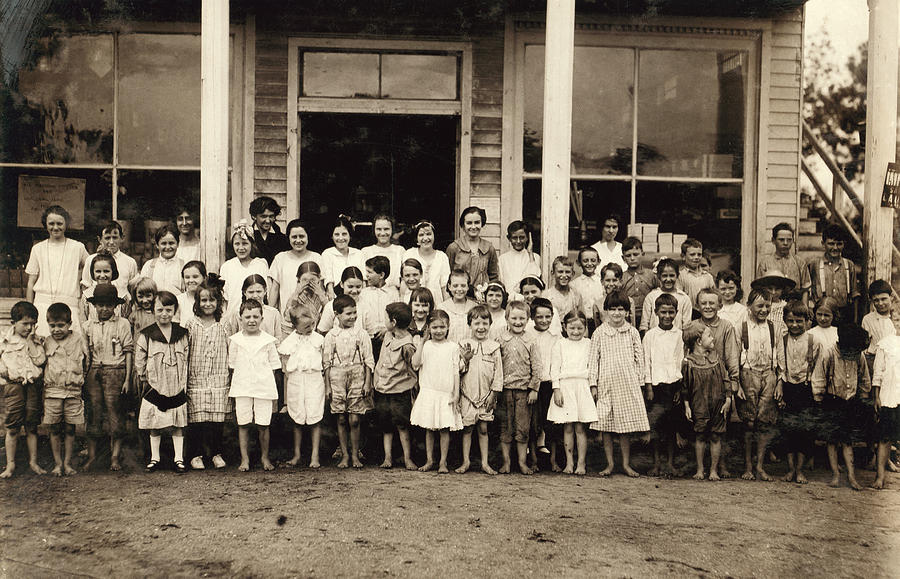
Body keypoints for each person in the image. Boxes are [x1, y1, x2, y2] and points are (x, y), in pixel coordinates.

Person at [589, 291, 649, 477]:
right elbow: (593, 360)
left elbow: (640, 358)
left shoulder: (632, 332)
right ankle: (609, 464)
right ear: (606, 311)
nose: (616, 313)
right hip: (606, 383)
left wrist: (639, 381)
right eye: (612, 309)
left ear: (627, 312)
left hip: (627, 384)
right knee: (606, 426)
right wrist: (593, 384)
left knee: (624, 428)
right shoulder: (599, 332)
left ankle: (625, 464)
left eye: (621, 309)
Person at [812, 323, 872, 490]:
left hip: (850, 400)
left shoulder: (858, 356)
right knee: (832, 440)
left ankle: (852, 476)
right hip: (832, 399)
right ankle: (835, 474)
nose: (853, 355)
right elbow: (819, 376)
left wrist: (863, 395)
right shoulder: (829, 353)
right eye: (851, 352)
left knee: (848, 440)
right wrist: (818, 397)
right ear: (843, 344)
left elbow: (864, 377)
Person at [136, 291, 190, 474]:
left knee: (177, 424)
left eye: (168, 309)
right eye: (160, 309)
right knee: (154, 424)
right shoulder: (147, 335)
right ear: (153, 310)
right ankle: (155, 458)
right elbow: (140, 359)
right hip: (155, 384)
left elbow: (188, 357)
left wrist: (184, 380)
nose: (164, 313)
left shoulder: (182, 333)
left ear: (175, 310)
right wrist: (144, 378)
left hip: (176, 383)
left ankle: (179, 458)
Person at [82, 283, 133, 471]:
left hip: (116, 371)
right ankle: (93, 457)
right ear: (94, 306)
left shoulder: (123, 324)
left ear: (115, 306)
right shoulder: (87, 326)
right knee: (94, 412)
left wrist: (127, 379)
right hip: (94, 371)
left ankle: (114, 457)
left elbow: (128, 351)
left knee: (115, 412)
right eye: (100, 305)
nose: (104, 309)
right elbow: (85, 355)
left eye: (109, 305)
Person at [228, 299, 282, 472]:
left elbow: (274, 367)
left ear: (261, 318)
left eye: (255, 316)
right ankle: (245, 460)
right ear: (240, 318)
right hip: (242, 387)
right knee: (243, 423)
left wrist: (269, 390)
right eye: (247, 316)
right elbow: (232, 366)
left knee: (263, 424)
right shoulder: (235, 340)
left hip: (263, 388)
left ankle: (265, 458)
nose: (251, 320)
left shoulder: (268, 341)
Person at [737, 288, 785, 482]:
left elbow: (780, 356)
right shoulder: (742, 327)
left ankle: (760, 466)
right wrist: (737, 383)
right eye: (759, 306)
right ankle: (748, 466)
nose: (764, 310)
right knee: (749, 422)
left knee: (765, 423)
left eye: (767, 306)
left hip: (769, 375)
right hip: (748, 375)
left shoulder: (774, 327)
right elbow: (734, 356)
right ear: (749, 307)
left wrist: (780, 382)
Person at [184, 277, 231, 471]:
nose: (208, 304)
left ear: (218, 302)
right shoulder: (191, 324)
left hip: (219, 377)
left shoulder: (224, 324)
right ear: (197, 302)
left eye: (212, 300)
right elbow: (186, 351)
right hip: (197, 377)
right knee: (198, 420)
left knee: (215, 421)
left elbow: (230, 349)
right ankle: (196, 454)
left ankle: (216, 453)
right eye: (203, 300)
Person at [323, 294, 375, 468]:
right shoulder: (331, 336)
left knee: (354, 418)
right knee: (341, 419)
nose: (352, 317)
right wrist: (328, 386)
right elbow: (327, 362)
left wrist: (367, 383)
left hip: (357, 376)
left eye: (354, 313)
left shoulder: (362, 334)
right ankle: (344, 455)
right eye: (348, 313)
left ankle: (355, 455)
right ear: (337, 314)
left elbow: (369, 360)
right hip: (337, 377)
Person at [410, 309, 463, 473]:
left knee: (444, 429)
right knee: (429, 428)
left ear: (448, 327)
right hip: (429, 392)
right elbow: (415, 364)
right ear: (428, 328)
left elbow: (456, 371)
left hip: (445, 393)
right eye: (434, 327)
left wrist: (456, 393)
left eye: (442, 327)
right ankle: (430, 460)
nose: (438, 331)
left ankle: (443, 462)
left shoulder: (453, 347)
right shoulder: (425, 346)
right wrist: (422, 341)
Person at [548, 311, 599, 475]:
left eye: (579, 328)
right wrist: (556, 388)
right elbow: (554, 368)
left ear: (585, 328)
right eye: (572, 328)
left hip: (582, 386)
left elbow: (593, 367)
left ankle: (581, 463)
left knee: (580, 428)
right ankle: (569, 463)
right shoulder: (560, 344)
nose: (576, 332)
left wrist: (593, 386)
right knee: (567, 428)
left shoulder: (589, 344)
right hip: (565, 387)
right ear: (565, 327)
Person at [26, 205, 89, 335]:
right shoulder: (38, 249)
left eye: (59, 223)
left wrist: (79, 278)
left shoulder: (77, 247)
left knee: (70, 348)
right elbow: (31, 282)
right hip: (42, 307)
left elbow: (92, 267)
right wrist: (29, 312)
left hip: (69, 307)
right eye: (51, 223)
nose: (55, 227)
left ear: (66, 224)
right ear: (46, 224)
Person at [0, 301, 46, 478]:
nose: (29, 327)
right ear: (14, 323)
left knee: (32, 426)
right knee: (12, 427)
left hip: (33, 386)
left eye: (32, 323)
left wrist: (31, 342)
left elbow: (40, 361)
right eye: (25, 323)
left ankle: (33, 462)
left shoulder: (36, 340)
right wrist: (5, 373)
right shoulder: (4, 341)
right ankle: (10, 465)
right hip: (14, 387)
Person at [682, 321, 733, 481]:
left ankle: (713, 470)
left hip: (718, 405)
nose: (713, 339)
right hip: (699, 405)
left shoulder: (716, 358)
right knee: (700, 437)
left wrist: (728, 399)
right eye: (709, 336)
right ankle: (700, 469)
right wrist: (687, 406)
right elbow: (685, 387)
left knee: (716, 436)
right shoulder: (688, 363)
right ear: (698, 341)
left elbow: (726, 379)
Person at [496, 300, 543, 475]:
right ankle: (507, 463)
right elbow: (496, 364)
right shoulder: (500, 338)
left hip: (524, 391)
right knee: (505, 428)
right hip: (504, 390)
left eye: (522, 318)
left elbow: (537, 366)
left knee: (522, 428)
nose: (517, 322)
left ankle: (522, 463)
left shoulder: (531, 340)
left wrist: (534, 389)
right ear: (507, 318)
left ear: (528, 319)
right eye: (514, 318)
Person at [42, 303, 88, 477]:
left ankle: (67, 463)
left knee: (70, 428)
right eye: (52, 326)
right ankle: (57, 464)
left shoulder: (78, 339)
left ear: (69, 324)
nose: (56, 330)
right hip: (52, 392)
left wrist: (80, 381)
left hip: (73, 391)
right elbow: (40, 362)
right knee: (53, 429)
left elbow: (86, 361)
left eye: (61, 325)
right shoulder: (45, 342)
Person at [642, 293, 685, 477]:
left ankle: (670, 463)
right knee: (657, 427)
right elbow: (646, 361)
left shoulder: (680, 335)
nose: (667, 316)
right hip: (656, 387)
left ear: (676, 313)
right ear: (656, 312)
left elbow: (681, 361)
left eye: (671, 312)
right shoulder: (650, 335)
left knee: (671, 426)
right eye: (663, 312)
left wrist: (680, 389)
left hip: (673, 386)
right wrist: (649, 387)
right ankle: (656, 463)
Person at [278, 306, 326, 469]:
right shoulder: (289, 342)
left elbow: (324, 362)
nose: (309, 329)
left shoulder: (318, 340)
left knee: (315, 415)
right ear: (295, 326)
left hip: (314, 379)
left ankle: (315, 455)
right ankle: (297, 454)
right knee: (297, 416)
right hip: (296, 380)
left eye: (311, 325)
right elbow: (285, 368)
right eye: (305, 327)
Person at [457, 305, 503, 475]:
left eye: (484, 323)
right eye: (476, 323)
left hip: (486, 396)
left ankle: (485, 463)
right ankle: (466, 461)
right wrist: (466, 360)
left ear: (490, 324)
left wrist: (494, 393)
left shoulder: (494, 346)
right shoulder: (463, 345)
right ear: (470, 324)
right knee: (467, 429)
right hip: (467, 395)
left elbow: (499, 373)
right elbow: (458, 371)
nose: (481, 327)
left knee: (483, 429)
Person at [778, 300, 820, 485]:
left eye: (799, 321)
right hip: (788, 388)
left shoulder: (813, 340)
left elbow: (818, 367)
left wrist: (816, 390)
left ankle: (800, 470)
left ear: (807, 321)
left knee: (804, 430)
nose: (794, 325)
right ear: (785, 321)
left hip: (806, 388)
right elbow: (779, 366)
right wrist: (779, 385)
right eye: (790, 321)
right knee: (788, 430)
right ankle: (790, 469)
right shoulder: (782, 339)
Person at [374, 302, 418, 471]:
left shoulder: (407, 345)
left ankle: (407, 458)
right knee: (386, 426)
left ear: (393, 321)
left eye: (386, 318)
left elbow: (413, 367)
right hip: (383, 389)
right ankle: (387, 458)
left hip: (400, 391)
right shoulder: (388, 334)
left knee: (402, 425)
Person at [529, 297, 561, 470]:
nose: (544, 320)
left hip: (550, 384)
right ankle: (533, 460)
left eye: (548, 317)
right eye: (539, 317)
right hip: (534, 385)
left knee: (552, 425)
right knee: (534, 424)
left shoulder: (556, 337)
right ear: (532, 317)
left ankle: (553, 461)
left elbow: (558, 362)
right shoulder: (528, 336)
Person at [871, 302, 900, 489]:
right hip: (890, 396)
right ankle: (880, 476)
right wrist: (876, 396)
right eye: (898, 319)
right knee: (885, 437)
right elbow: (878, 373)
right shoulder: (886, 344)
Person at [807, 223, 860, 323]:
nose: (835, 248)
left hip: (844, 314)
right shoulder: (814, 265)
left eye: (839, 244)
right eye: (831, 243)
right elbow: (808, 291)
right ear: (823, 243)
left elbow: (854, 294)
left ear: (844, 244)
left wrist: (855, 319)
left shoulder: (849, 265)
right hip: (821, 315)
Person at [268, 219, 322, 312]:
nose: (298, 240)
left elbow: (321, 288)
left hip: (311, 317)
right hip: (286, 316)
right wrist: (270, 314)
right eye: (294, 237)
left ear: (307, 236)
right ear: (288, 237)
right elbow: (275, 289)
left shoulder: (316, 258)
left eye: (301, 236)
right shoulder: (280, 258)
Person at [220, 219, 269, 311]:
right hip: (233, 314)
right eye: (237, 244)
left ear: (252, 245)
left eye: (245, 243)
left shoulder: (260, 264)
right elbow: (224, 298)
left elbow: (266, 294)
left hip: (256, 316)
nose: (241, 248)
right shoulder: (227, 266)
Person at [446, 206, 499, 289]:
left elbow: (494, 277)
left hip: (482, 298)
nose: (473, 227)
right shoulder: (454, 247)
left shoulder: (489, 248)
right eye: (469, 223)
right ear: (463, 225)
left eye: (477, 222)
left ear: (482, 223)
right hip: (460, 295)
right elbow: (447, 276)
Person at [80, 221, 138, 295]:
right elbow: (86, 286)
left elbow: (133, 289)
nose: (111, 242)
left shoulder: (130, 262)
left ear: (122, 238)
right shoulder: (91, 260)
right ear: (100, 239)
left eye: (115, 237)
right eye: (107, 238)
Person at [358, 256, 400, 358]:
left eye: (370, 272)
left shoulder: (393, 293)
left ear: (381, 275)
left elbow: (397, 314)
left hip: (388, 338)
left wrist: (387, 329)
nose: (366, 275)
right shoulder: (363, 293)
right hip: (368, 339)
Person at [756, 222, 810, 301]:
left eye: (789, 240)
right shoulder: (765, 263)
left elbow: (805, 289)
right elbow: (759, 290)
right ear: (773, 240)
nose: (785, 243)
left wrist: (804, 310)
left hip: (794, 307)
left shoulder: (800, 263)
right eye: (781, 240)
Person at [403, 220, 450, 302]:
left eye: (428, 234)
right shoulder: (409, 254)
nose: (425, 238)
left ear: (434, 236)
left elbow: (444, 286)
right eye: (421, 235)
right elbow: (404, 282)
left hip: (436, 302)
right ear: (416, 239)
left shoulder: (442, 257)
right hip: (414, 302)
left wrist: (446, 308)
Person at [223, 274, 283, 339]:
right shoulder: (237, 313)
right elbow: (233, 338)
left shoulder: (273, 313)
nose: (255, 295)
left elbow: (278, 338)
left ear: (265, 291)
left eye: (258, 291)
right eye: (251, 292)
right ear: (244, 292)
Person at [640, 259, 692, 332]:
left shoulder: (684, 298)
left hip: (676, 340)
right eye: (664, 276)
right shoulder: (651, 297)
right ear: (658, 276)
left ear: (677, 275)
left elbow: (686, 327)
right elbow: (644, 325)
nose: (668, 279)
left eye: (671, 275)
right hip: (655, 340)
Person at [279, 261, 327, 338]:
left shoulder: (324, 295)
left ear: (319, 278)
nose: (308, 283)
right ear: (299, 279)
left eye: (312, 280)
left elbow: (330, 316)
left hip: (319, 335)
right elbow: (287, 318)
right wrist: (296, 294)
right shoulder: (295, 296)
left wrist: (322, 297)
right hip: (297, 335)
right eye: (304, 280)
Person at [621, 237, 659, 332]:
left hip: (648, 317)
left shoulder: (651, 275)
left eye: (636, 254)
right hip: (628, 318)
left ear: (642, 254)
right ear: (623, 258)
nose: (632, 258)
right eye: (628, 256)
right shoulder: (621, 277)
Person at [321, 215, 364, 299]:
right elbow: (328, 280)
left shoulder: (359, 254)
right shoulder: (327, 253)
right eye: (337, 234)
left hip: (357, 296)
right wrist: (332, 297)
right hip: (336, 297)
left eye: (344, 234)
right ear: (332, 236)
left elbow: (364, 280)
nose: (340, 238)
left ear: (350, 235)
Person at [360, 214, 405, 290]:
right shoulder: (365, 251)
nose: (383, 233)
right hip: (371, 295)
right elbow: (363, 281)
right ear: (374, 230)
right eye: (379, 229)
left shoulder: (400, 251)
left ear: (392, 230)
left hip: (394, 294)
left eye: (386, 229)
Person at [81, 252, 129, 323]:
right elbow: (83, 322)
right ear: (92, 272)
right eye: (98, 271)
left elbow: (126, 322)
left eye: (106, 271)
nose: (102, 275)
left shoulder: (122, 296)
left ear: (113, 272)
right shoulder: (86, 296)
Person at [861, 279, 896, 374]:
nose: (880, 303)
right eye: (876, 300)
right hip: (873, 360)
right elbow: (864, 344)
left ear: (891, 297)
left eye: (883, 299)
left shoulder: (896, 318)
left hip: (894, 361)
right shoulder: (868, 319)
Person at [318, 266, 366, 334]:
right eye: (350, 286)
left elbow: (370, 333)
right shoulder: (331, 306)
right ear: (342, 284)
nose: (354, 291)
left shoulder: (366, 304)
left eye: (358, 287)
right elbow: (322, 331)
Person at [498, 220, 541, 295]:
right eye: (515, 238)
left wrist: (530, 253)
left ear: (527, 237)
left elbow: (534, 277)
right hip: (509, 300)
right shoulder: (502, 259)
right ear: (509, 238)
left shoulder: (534, 257)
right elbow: (502, 282)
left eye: (521, 237)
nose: (518, 241)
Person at [140, 225, 184, 295]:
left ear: (178, 244)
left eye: (171, 243)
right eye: (163, 243)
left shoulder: (183, 267)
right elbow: (142, 290)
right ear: (157, 245)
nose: (168, 247)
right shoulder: (149, 266)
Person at [570, 246, 605, 334]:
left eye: (593, 260)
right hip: (581, 324)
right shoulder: (573, 284)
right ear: (578, 263)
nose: (589, 264)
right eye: (585, 261)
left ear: (598, 262)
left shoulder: (602, 283)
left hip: (600, 322)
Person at [437, 269, 478, 344]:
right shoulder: (442, 308)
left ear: (468, 287)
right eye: (455, 286)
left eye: (463, 286)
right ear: (449, 286)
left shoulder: (474, 307)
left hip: (470, 350)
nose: (459, 289)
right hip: (448, 350)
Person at [249, 196, 290, 265]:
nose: (268, 221)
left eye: (271, 216)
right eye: (263, 216)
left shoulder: (282, 238)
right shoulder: (248, 235)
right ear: (254, 216)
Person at [676, 238, 715, 307]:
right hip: (688, 313)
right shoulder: (680, 276)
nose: (696, 257)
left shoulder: (708, 277)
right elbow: (679, 299)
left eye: (699, 254)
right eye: (692, 254)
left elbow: (713, 297)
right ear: (683, 256)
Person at [597, 263, 637, 327]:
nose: (611, 284)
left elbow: (632, 325)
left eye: (614, 280)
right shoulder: (597, 304)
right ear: (602, 282)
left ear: (621, 282)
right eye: (608, 280)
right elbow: (597, 327)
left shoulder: (630, 301)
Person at [544, 256, 582, 320]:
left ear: (573, 274)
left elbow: (582, 318)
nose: (564, 275)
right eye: (560, 272)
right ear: (553, 273)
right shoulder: (546, 295)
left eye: (567, 272)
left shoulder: (576, 295)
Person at [176, 260, 207, 326]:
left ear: (204, 277)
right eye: (187, 277)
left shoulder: (211, 300)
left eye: (195, 277)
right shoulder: (179, 300)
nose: (191, 280)